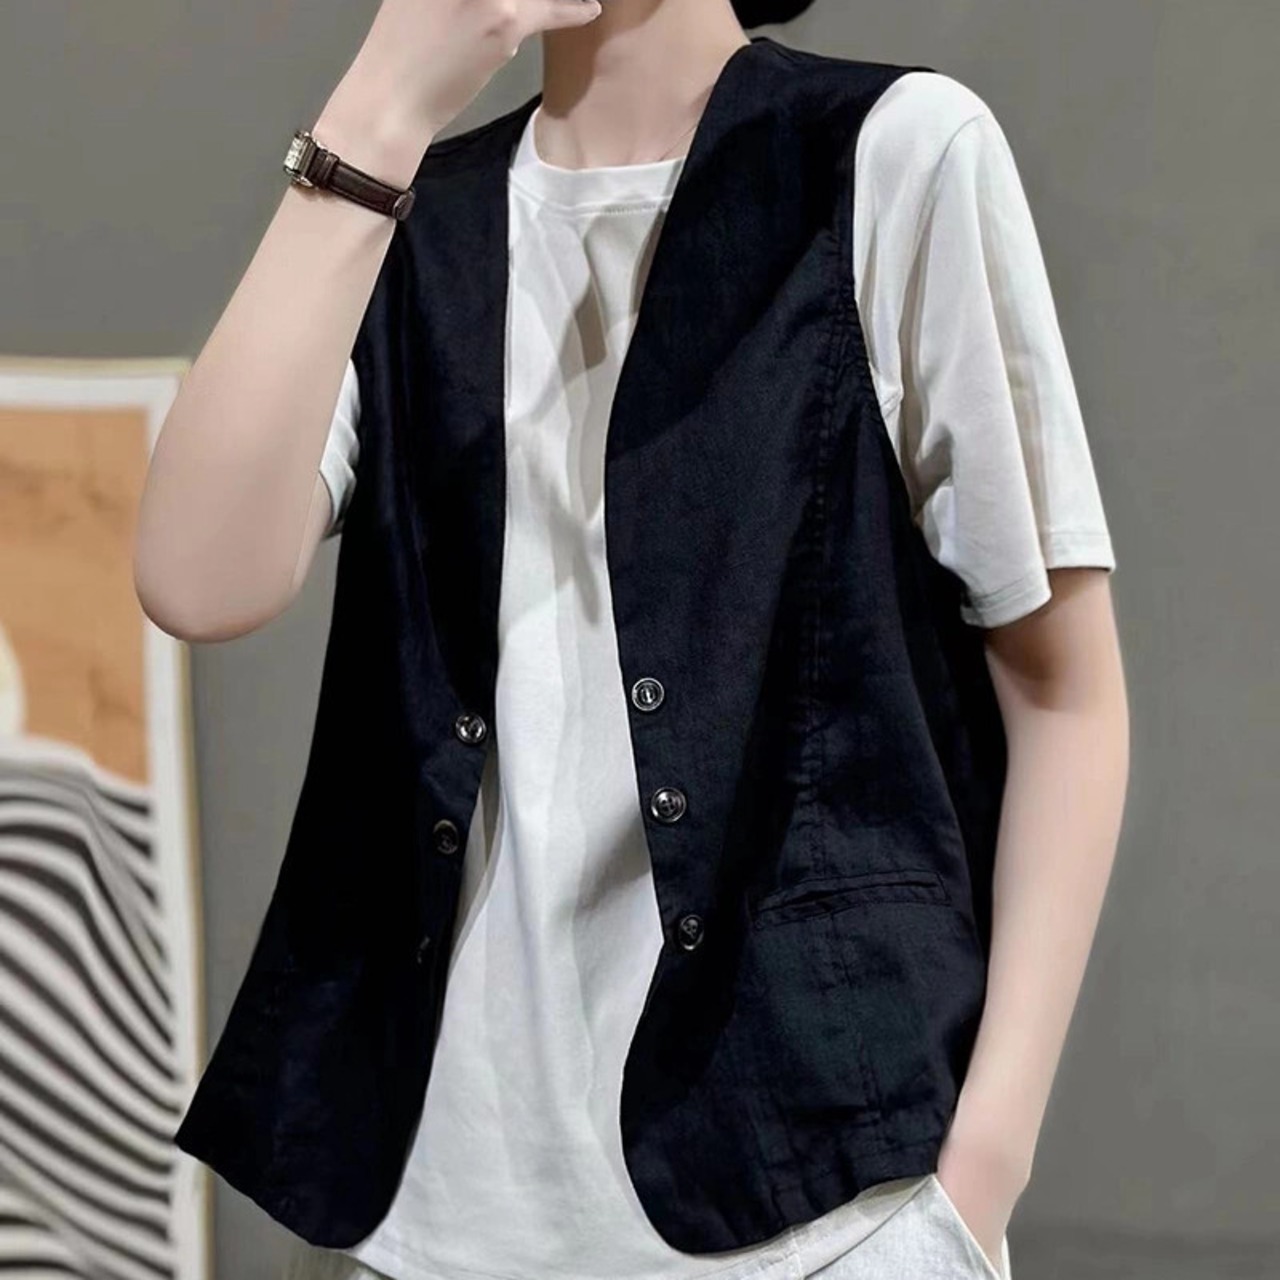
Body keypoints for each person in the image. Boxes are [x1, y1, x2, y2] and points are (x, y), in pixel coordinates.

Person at [134, 1, 1130, 1277]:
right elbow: (195, 577)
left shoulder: (889, 150)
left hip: (812, 1223)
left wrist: (975, 1177)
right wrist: (378, 106)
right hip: (408, 1227)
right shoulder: (403, 208)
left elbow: (1063, 695)